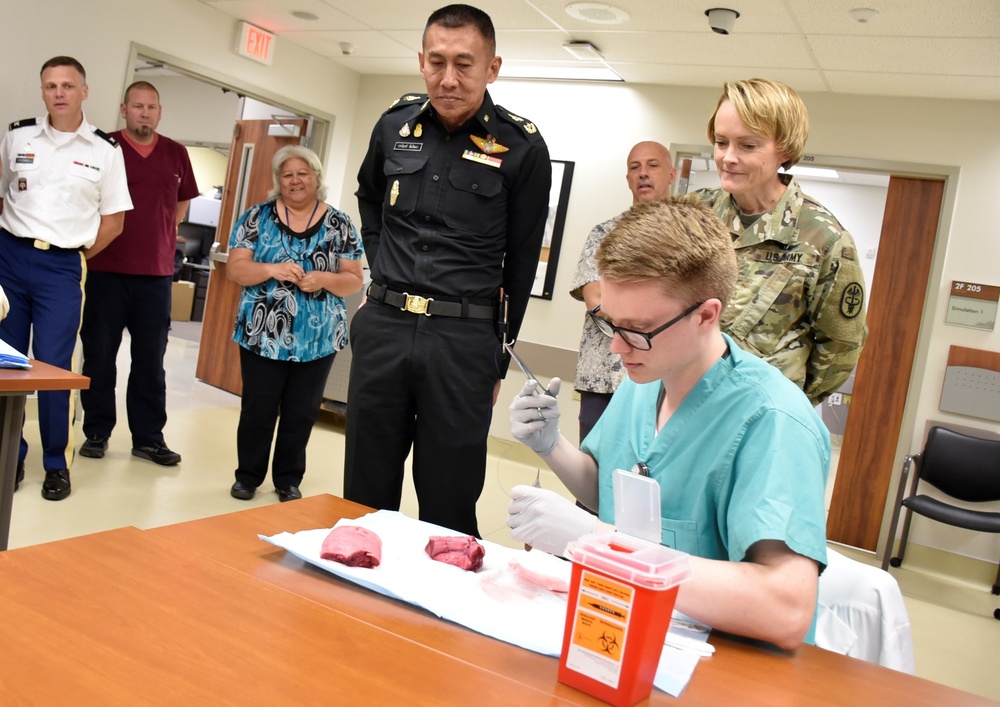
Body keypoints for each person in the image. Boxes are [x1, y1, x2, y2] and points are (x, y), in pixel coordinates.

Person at [507, 197, 830, 650]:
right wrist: (551, 446)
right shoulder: (644, 381)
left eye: (636, 330)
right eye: (611, 323)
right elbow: (611, 494)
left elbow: (785, 609)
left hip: (725, 661)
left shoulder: (772, 421)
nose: (617, 348)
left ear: (706, 314)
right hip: (625, 631)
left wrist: (593, 540)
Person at [345, 4, 551, 537]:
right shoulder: (394, 125)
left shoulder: (522, 147)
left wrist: (497, 361)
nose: (449, 78)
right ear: (421, 61)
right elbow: (369, 199)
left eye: (465, 63)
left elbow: (522, 266)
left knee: (449, 498)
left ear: (493, 67)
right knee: (363, 493)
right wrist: (380, 262)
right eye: (436, 62)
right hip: (385, 326)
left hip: (463, 340)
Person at [0, 56, 132, 500]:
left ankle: (56, 463)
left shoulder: (104, 151)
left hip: (62, 267)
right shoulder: (17, 136)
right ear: (42, 91)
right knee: (7, 364)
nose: (59, 92)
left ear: (84, 91)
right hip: (10, 261)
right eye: (51, 85)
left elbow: (112, 223)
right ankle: (9, 457)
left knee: (55, 369)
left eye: (68, 85)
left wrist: (73, 255)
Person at [696, 78, 867, 406]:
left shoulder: (823, 238)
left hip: (761, 412)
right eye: (720, 142)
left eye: (747, 146)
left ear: (785, 150)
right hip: (684, 400)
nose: (728, 157)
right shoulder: (694, 214)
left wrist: (788, 401)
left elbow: (840, 346)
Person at [227, 145, 363, 502]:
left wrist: (322, 279)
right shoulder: (255, 218)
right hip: (262, 335)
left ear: (316, 177)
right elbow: (236, 269)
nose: (295, 181)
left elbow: (353, 279)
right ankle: (248, 476)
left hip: (318, 337)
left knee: (301, 413)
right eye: (287, 175)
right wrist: (271, 269)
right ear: (278, 181)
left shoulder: (340, 223)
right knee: (258, 409)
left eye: (303, 173)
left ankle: (288, 479)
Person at [78, 81, 200, 467]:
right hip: (106, 270)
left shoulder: (176, 154)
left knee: (151, 361)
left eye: (151, 107)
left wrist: (158, 236)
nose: (144, 113)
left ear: (159, 112)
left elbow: (179, 207)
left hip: (156, 275)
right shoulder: (104, 147)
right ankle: (96, 432)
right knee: (99, 356)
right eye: (137, 106)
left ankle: (148, 438)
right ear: (124, 109)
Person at [569, 141, 676, 442]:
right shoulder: (604, 234)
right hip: (603, 376)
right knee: (593, 470)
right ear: (628, 179)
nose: (643, 174)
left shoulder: (688, 237)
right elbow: (596, 300)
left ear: (671, 174)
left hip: (665, 376)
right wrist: (655, 314)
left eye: (653, 165)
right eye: (635, 167)